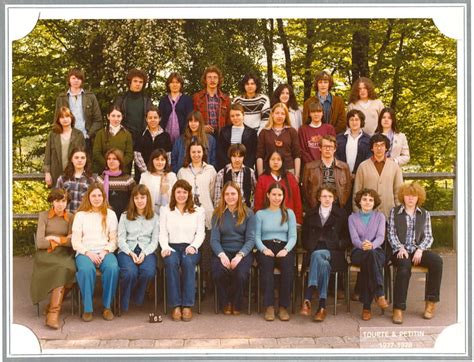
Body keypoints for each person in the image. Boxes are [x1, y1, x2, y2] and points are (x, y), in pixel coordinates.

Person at [388, 182, 443, 324]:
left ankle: (431, 303)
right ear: (403, 197)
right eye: (407, 195)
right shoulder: (394, 212)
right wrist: (400, 247)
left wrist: (420, 249)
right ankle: (398, 309)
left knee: (437, 261)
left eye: (414, 195)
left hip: (418, 250)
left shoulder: (425, 214)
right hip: (400, 251)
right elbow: (391, 234)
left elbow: (429, 236)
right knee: (404, 268)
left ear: (419, 197)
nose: (410, 198)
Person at [71, 183, 119, 322]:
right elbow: (76, 241)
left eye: (99, 195)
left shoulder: (110, 214)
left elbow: (114, 239)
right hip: (85, 252)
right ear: (88, 197)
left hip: (105, 250)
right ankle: (87, 308)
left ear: (104, 197)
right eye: (93, 195)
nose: (97, 198)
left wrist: (105, 251)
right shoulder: (80, 215)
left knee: (112, 268)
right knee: (86, 270)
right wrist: (87, 253)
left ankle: (107, 306)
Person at [300, 186, 349, 322]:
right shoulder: (310, 214)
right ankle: (322, 307)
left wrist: (338, 244)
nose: (327, 199)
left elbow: (347, 238)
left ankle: (308, 297)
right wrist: (310, 244)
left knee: (318, 256)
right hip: (314, 250)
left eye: (330, 197)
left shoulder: (341, 214)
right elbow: (304, 236)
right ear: (318, 198)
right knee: (322, 263)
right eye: (324, 196)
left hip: (334, 252)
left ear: (334, 199)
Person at [159, 180, 205, 321]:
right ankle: (175, 306)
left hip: (190, 247)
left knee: (187, 263)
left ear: (189, 194)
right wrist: (165, 247)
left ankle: (187, 305)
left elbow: (201, 233)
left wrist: (193, 246)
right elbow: (162, 233)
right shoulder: (165, 210)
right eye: (178, 192)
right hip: (171, 246)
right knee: (171, 264)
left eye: (185, 192)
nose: (181, 195)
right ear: (174, 193)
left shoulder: (198, 210)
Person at [31, 188, 76, 329]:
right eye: (57, 201)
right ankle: (53, 314)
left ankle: (52, 305)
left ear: (67, 202)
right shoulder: (43, 216)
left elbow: (71, 242)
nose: (60, 204)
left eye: (63, 201)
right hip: (46, 254)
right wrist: (61, 240)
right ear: (52, 201)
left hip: (63, 253)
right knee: (61, 270)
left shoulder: (71, 217)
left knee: (72, 269)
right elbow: (40, 243)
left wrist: (56, 238)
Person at [210, 181, 256, 315]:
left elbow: (251, 239)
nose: (230, 197)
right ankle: (225, 302)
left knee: (240, 273)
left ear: (239, 195)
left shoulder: (248, 213)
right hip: (222, 251)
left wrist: (240, 255)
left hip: (242, 251)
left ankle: (237, 303)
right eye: (227, 194)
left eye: (233, 194)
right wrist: (222, 255)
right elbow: (214, 240)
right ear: (223, 196)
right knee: (219, 271)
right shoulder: (218, 214)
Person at [256, 183, 297, 321]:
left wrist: (286, 250)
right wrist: (263, 249)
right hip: (266, 246)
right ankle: (269, 306)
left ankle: (283, 306)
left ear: (283, 196)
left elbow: (293, 236)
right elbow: (256, 236)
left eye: (279, 195)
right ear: (268, 195)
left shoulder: (289, 213)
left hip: (284, 247)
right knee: (267, 270)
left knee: (288, 270)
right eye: (274, 194)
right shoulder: (260, 214)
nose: (276, 198)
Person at [177, 141, 217, 284]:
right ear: (189, 153)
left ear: (203, 153)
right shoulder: (182, 171)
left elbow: (213, 193)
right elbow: (179, 194)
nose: (196, 155)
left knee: (206, 250)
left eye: (199, 152)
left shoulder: (211, 170)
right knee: (191, 249)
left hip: (207, 214)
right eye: (193, 152)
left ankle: (205, 283)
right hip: (188, 216)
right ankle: (191, 282)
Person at [348, 188, 389, 321]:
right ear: (359, 202)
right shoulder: (352, 218)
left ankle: (367, 308)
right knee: (369, 258)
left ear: (374, 203)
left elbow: (381, 236)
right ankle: (379, 293)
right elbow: (354, 239)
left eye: (371, 200)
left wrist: (372, 245)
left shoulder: (380, 217)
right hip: (358, 251)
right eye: (364, 199)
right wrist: (363, 245)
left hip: (376, 251)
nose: (367, 202)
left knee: (370, 260)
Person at [117, 184, 159, 313]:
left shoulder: (155, 217)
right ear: (132, 200)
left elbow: (154, 241)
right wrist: (130, 253)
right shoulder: (125, 216)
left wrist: (144, 253)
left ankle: (137, 297)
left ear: (147, 199)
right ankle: (123, 302)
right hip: (127, 250)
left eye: (142, 197)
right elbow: (120, 239)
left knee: (148, 272)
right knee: (130, 272)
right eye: (136, 198)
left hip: (147, 250)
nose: (139, 201)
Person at [353, 134, 404, 218]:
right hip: (367, 215)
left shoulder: (394, 167)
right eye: (376, 145)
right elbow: (357, 191)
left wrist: (399, 214)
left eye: (382, 145)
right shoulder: (363, 166)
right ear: (372, 148)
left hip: (389, 213)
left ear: (386, 148)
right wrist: (357, 213)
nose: (379, 148)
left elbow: (398, 191)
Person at [54, 68, 103, 154]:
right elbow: (56, 120)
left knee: (86, 165)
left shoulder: (90, 97)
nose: (76, 80)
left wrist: (89, 135)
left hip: (86, 140)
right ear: (69, 79)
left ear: (82, 80)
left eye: (79, 78)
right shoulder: (61, 98)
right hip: (67, 139)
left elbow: (98, 120)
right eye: (73, 78)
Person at [302, 135, 352, 209]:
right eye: (325, 146)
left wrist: (343, 204)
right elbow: (305, 190)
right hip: (316, 207)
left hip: (338, 207)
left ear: (335, 149)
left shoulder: (344, 167)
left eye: (331, 147)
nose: (328, 149)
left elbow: (348, 189)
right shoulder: (309, 167)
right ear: (320, 148)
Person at [254, 151, 303, 225]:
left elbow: (297, 201)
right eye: (273, 159)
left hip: (288, 221)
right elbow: (258, 203)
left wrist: (298, 221)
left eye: (278, 159)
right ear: (268, 161)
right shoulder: (262, 179)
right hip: (268, 222)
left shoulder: (290, 177)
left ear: (283, 161)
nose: (275, 162)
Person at [256, 103, 301, 179]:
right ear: (272, 114)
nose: (280, 116)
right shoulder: (264, 132)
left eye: (282, 114)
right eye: (277, 113)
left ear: (286, 116)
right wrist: (260, 176)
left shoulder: (292, 132)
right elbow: (259, 156)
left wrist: (296, 175)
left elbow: (297, 155)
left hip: (288, 170)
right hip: (268, 171)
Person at [44, 106, 85, 187]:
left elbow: (83, 155)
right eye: (62, 117)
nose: (65, 119)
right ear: (58, 120)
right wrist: (47, 173)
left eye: (67, 116)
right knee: (57, 198)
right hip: (56, 173)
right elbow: (47, 155)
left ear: (71, 118)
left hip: (74, 173)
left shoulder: (78, 134)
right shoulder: (53, 135)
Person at [114, 68, 153, 144]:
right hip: (124, 137)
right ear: (130, 82)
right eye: (135, 81)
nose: (138, 84)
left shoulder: (147, 101)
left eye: (140, 82)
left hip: (142, 139)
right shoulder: (121, 99)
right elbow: (115, 119)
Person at [134, 106, 172, 182]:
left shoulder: (166, 136)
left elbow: (168, 155)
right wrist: (146, 172)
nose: (153, 120)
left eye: (155, 117)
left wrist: (162, 171)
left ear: (159, 119)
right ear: (146, 119)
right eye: (150, 117)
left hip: (161, 174)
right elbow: (137, 155)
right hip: (144, 174)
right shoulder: (140, 135)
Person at [92, 105, 134, 175]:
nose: (116, 119)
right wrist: (108, 165)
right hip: (104, 171)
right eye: (113, 116)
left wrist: (119, 165)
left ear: (122, 117)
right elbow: (96, 153)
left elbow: (129, 154)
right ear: (108, 116)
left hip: (121, 172)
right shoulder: (100, 134)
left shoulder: (127, 134)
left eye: (118, 116)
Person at [96, 148, 136, 221]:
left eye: (114, 159)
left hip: (124, 217)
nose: (111, 161)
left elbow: (133, 199)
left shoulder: (128, 180)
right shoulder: (100, 179)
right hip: (104, 216)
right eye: (109, 159)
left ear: (120, 161)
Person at [216, 103, 258, 171]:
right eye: (232, 116)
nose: (235, 118)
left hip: (245, 168)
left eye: (238, 115)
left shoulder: (252, 133)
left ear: (243, 115)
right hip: (228, 168)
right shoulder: (224, 131)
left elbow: (252, 154)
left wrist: (244, 167)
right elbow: (220, 152)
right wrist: (229, 166)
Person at [214, 144, 257, 208]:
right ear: (230, 157)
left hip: (245, 209)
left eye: (240, 156)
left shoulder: (250, 172)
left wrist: (251, 204)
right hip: (227, 210)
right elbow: (217, 197)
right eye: (234, 156)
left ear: (244, 157)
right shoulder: (222, 173)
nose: (237, 160)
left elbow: (255, 192)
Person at [193, 65, 231, 136]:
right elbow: (193, 118)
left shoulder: (226, 99)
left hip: (221, 135)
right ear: (205, 80)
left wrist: (226, 134)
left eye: (215, 77)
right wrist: (202, 128)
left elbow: (229, 120)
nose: (212, 80)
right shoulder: (197, 97)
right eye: (209, 77)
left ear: (219, 80)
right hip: (203, 135)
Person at [56, 146, 96, 214]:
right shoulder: (63, 179)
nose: (79, 160)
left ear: (86, 160)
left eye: (82, 158)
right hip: (66, 217)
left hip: (85, 217)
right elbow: (56, 199)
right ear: (71, 159)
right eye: (76, 157)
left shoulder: (93, 179)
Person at [139, 148, 177, 216]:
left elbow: (176, 196)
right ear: (152, 161)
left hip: (168, 213)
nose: (160, 162)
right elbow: (141, 195)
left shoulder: (172, 176)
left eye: (162, 159)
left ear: (166, 161)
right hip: (149, 213)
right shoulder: (145, 176)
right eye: (157, 159)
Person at [158, 72, 194, 144]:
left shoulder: (187, 100)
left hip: (183, 136)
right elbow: (160, 119)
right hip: (165, 137)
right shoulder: (163, 100)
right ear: (168, 84)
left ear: (181, 85)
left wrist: (187, 134)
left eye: (177, 82)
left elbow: (190, 118)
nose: (175, 85)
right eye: (172, 82)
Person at [336, 109, 372, 176]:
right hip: (341, 175)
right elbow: (335, 155)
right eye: (351, 119)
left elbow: (369, 158)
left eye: (356, 119)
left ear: (361, 121)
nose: (354, 122)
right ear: (348, 122)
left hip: (361, 175)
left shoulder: (368, 139)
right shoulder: (339, 138)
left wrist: (357, 173)